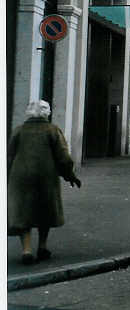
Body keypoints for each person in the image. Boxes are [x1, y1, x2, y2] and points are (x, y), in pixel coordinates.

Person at [7, 100, 82, 264]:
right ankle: (42, 247)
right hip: (46, 177)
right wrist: (70, 176)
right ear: (46, 113)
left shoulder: (19, 130)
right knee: (45, 210)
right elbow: (63, 157)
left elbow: (9, 155)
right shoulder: (52, 130)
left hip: (20, 176)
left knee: (23, 212)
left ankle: (26, 250)